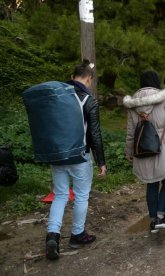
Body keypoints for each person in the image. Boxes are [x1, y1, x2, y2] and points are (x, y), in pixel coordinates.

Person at [45, 60, 107, 260]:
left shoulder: (57, 97)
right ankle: (77, 234)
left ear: (72, 78)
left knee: (60, 195)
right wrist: (101, 161)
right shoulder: (89, 100)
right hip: (80, 155)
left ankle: (52, 236)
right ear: (89, 79)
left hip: (58, 155)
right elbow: (95, 135)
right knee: (81, 195)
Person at [123, 71, 165, 233]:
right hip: (164, 149)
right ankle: (160, 216)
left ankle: (153, 220)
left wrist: (129, 151)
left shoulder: (133, 104)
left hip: (142, 149)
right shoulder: (164, 100)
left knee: (151, 183)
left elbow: (131, 132)